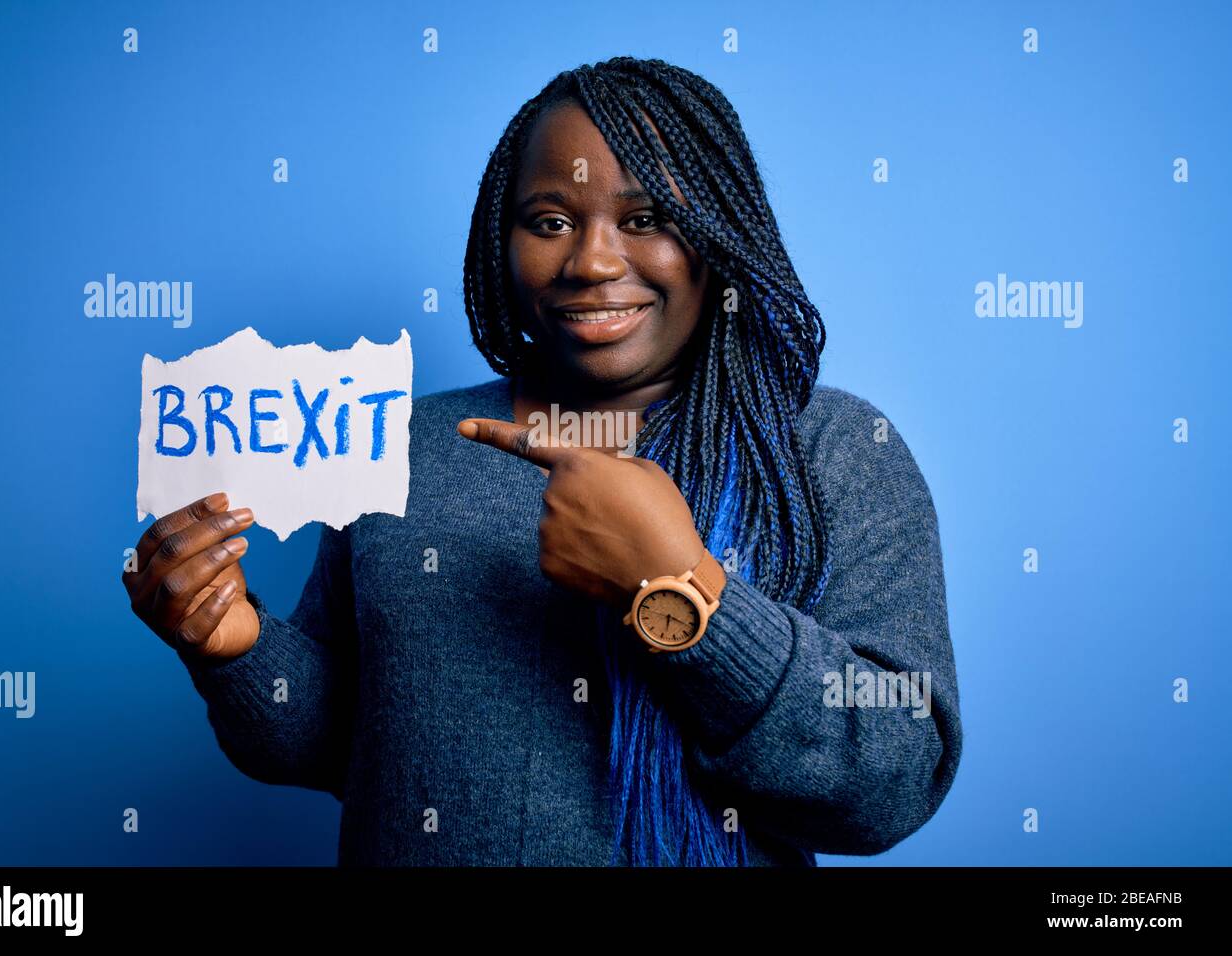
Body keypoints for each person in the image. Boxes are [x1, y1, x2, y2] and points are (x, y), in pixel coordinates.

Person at [122, 56, 962, 866]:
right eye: (551, 221)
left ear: (718, 237)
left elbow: (892, 780)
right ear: (503, 238)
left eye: (646, 220)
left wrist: (680, 588)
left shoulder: (831, 452)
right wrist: (235, 647)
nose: (593, 261)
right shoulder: (404, 444)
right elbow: (351, 745)